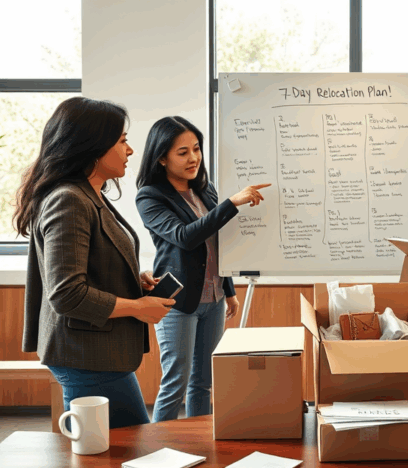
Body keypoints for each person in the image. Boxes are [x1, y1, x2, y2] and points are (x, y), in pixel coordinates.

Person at [15, 97, 176, 429]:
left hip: (92, 354)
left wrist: (135, 279)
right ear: (92, 146)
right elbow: (67, 295)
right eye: (122, 141)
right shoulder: (69, 200)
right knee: (118, 450)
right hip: (85, 354)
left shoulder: (88, 193)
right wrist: (136, 306)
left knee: (116, 448)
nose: (130, 151)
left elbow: (91, 265)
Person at [135, 116, 270, 422]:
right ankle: (162, 450)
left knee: (204, 383)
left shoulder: (204, 191)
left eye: (196, 149)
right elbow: (186, 237)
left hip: (215, 297)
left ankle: (199, 444)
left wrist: (229, 290)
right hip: (177, 301)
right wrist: (232, 203)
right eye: (182, 152)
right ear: (161, 157)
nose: (193, 158)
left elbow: (218, 246)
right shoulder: (150, 197)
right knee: (176, 383)